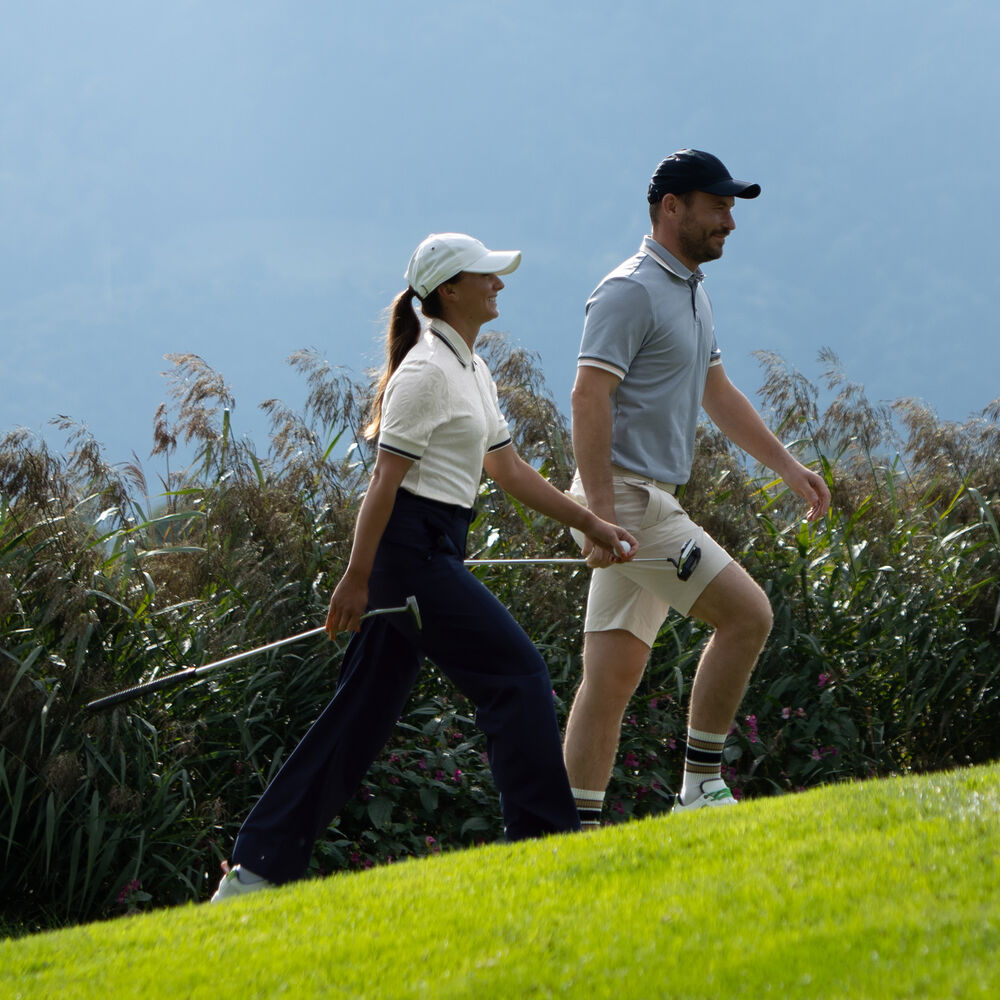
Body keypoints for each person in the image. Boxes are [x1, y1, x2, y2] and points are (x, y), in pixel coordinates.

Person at [212, 233, 637, 900]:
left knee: (360, 719)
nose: (498, 284)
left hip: (432, 547)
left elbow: (508, 469)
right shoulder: (424, 371)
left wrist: (589, 521)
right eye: (485, 276)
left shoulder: (470, 368)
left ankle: (254, 874)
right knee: (517, 672)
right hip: (407, 556)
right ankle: (544, 845)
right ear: (449, 290)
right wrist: (357, 578)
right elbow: (383, 484)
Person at [562, 150, 831, 825]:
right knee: (748, 616)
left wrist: (787, 466)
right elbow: (588, 397)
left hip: (644, 501)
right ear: (671, 207)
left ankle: (570, 832)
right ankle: (699, 787)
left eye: (731, 206)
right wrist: (598, 514)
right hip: (624, 501)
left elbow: (717, 391)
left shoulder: (689, 289)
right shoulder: (629, 289)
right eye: (718, 205)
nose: (730, 221)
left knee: (612, 677)